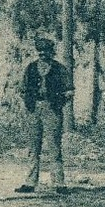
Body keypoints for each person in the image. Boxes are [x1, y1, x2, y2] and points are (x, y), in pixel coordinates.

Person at [15, 38, 72, 195]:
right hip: (33, 109)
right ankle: (30, 182)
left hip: (52, 109)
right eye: (40, 52)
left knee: (54, 146)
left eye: (45, 52)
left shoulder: (60, 68)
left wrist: (58, 103)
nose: (42, 55)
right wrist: (28, 101)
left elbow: (69, 91)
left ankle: (59, 183)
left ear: (51, 52)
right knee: (33, 147)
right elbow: (21, 89)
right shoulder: (31, 68)